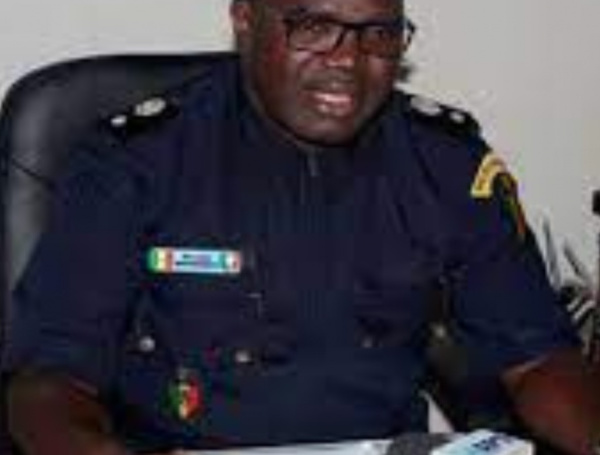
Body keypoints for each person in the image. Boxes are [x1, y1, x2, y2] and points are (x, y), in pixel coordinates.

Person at [2, 0, 600, 454]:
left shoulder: (445, 163)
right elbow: (48, 383)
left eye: (379, 33)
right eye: (313, 26)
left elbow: (538, 359)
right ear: (244, 18)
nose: (348, 60)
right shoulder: (138, 162)